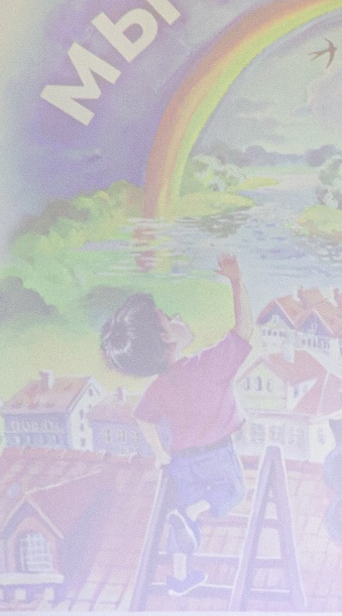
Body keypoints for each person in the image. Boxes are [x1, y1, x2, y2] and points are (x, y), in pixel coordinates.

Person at [100, 253, 254, 596]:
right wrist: (236, 282)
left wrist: (160, 454)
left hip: (182, 461)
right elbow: (244, 330)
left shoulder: (160, 386)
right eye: (170, 319)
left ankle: (181, 574)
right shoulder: (207, 365)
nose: (179, 317)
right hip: (217, 454)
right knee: (233, 492)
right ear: (167, 339)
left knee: (180, 515)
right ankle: (195, 512)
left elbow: (142, 417)